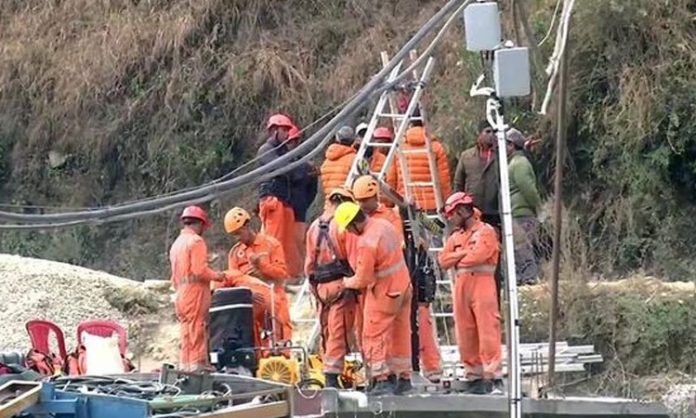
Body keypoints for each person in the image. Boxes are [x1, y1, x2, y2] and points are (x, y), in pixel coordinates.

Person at [335, 202, 413, 396]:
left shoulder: (366, 242)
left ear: (353, 224)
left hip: (385, 291)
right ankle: (403, 377)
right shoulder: (384, 225)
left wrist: (345, 282)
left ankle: (381, 379)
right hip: (403, 285)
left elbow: (363, 279)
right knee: (400, 333)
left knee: (372, 334)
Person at [438, 192, 503, 395]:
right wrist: (462, 254)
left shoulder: (485, 231)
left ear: (462, 211)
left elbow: (477, 256)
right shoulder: (456, 236)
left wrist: (458, 257)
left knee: (487, 329)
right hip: (462, 286)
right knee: (465, 332)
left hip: (483, 284)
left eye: (452, 214)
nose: (450, 219)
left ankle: (493, 376)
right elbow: (443, 260)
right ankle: (473, 376)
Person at [304, 187, 357, 388]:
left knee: (326, 330)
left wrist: (314, 287)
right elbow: (353, 258)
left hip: (320, 288)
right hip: (341, 286)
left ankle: (329, 372)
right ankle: (332, 377)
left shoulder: (313, 227)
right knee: (338, 331)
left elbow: (309, 264)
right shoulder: (343, 226)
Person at [224, 207, 293, 343]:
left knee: (280, 339)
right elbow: (232, 282)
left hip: (275, 300)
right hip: (251, 304)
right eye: (234, 235)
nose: (238, 238)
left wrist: (262, 268)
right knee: (254, 342)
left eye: (239, 233)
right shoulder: (235, 253)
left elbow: (282, 274)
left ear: (247, 226)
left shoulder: (271, 245)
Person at [169, 206, 226, 371]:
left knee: (186, 331)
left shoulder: (176, 244)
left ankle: (185, 367)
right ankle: (198, 367)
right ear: (200, 224)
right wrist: (218, 276)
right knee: (197, 328)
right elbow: (199, 270)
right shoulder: (196, 241)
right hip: (194, 292)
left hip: (180, 293)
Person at [257, 114, 305, 279]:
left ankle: (290, 274)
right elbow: (283, 167)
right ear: (274, 131)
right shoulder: (266, 150)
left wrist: (304, 169)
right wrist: (302, 169)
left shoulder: (283, 151)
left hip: (285, 201)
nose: (287, 134)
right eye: (284, 130)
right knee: (273, 240)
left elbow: (295, 170)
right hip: (272, 200)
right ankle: (270, 274)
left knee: (288, 243)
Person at [506, 128, 542, 285]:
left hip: (522, 212)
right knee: (518, 247)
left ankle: (529, 277)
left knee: (522, 246)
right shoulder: (517, 162)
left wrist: (537, 208)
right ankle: (524, 277)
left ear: (511, 145)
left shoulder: (519, 163)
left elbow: (528, 188)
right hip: (519, 211)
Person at [398, 112, 452, 212]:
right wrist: (448, 204)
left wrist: (391, 203)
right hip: (432, 205)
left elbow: (392, 178)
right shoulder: (435, 147)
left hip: (406, 203)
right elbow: (444, 180)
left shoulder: (400, 147)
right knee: (434, 228)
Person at [453, 120, 500, 229]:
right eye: (487, 132)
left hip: (495, 210)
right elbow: (458, 183)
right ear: (479, 134)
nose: (491, 135)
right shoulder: (466, 156)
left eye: (493, 132)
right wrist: (459, 206)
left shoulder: (500, 156)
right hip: (472, 209)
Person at [287, 125, 318, 280]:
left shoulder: (304, 165)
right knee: (288, 241)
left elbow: (313, 188)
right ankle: (292, 272)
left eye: (294, 141)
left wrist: (304, 203)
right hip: (288, 207)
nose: (292, 144)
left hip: (298, 208)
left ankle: (300, 272)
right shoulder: (287, 161)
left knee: (298, 241)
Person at [351, 175, 404, 242]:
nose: (361, 204)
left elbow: (397, 241)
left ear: (375, 196)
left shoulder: (391, 216)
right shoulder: (353, 216)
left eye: (365, 200)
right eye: (359, 200)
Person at [320, 126, 358, 195]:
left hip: (330, 203)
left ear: (337, 139)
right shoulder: (354, 159)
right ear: (353, 141)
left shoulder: (326, 162)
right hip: (347, 202)